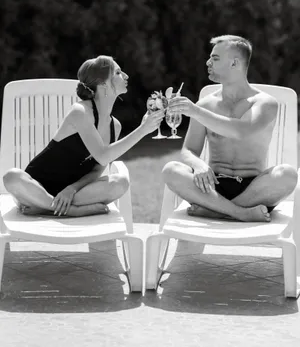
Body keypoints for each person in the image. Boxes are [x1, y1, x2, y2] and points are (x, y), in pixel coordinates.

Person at [3, 55, 164, 217]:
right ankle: (70, 210)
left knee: (120, 182)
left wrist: (71, 189)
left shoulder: (115, 126)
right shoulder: (80, 112)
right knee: (11, 177)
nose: (126, 76)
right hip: (35, 188)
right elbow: (102, 155)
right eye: (118, 72)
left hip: (73, 194)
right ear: (103, 84)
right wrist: (143, 130)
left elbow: (96, 171)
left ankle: (46, 207)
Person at [163, 35, 298, 222]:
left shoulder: (265, 103)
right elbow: (188, 151)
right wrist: (199, 165)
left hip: (254, 189)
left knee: (288, 175)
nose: (208, 62)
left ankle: (216, 210)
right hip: (211, 186)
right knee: (171, 170)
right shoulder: (205, 105)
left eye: (215, 58)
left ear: (234, 63)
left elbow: (241, 131)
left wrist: (195, 111)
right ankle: (240, 213)